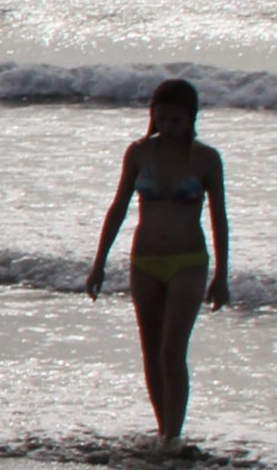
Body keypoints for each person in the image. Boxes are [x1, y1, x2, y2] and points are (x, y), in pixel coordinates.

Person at [85, 78, 230, 447]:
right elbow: (118, 207)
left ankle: (173, 437)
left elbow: (219, 218)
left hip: (189, 262)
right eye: (161, 119)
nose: (168, 128)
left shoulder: (206, 159)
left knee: (172, 351)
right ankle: (165, 432)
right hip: (145, 260)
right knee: (150, 351)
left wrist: (222, 275)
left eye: (176, 121)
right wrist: (99, 262)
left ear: (191, 119)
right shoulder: (138, 153)